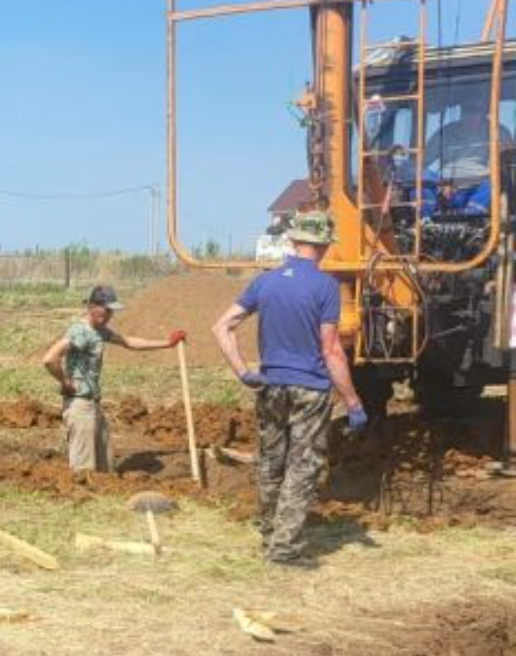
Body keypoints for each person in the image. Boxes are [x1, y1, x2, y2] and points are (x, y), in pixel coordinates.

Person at [210, 210, 366, 567]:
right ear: (324, 245)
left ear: (294, 241)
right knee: (303, 465)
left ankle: (269, 533)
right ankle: (283, 550)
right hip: (309, 388)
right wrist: (353, 401)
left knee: (270, 461)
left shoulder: (267, 281)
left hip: (271, 385)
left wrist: (243, 371)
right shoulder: (325, 286)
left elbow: (221, 326)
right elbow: (330, 349)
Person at [42, 285, 185, 478]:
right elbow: (50, 359)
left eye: (112, 311)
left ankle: (106, 495)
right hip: (79, 404)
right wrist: (66, 382)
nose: (110, 315)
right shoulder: (80, 331)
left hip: (92, 403)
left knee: (105, 466)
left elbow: (129, 342)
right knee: (84, 471)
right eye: (106, 310)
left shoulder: (99, 331)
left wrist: (167, 344)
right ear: (92, 306)